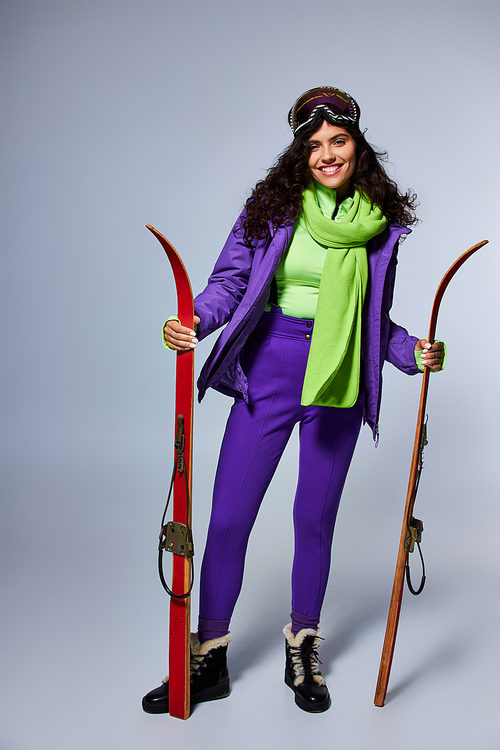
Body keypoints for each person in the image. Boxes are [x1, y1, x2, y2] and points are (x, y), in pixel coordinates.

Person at [142, 86, 444, 715]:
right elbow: (230, 280)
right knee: (228, 516)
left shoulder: (378, 222)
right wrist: (195, 321)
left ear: (357, 144)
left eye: (338, 141)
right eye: (314, 146)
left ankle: (303, 644)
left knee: (314, 518)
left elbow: (374, 321)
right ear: (299, 154)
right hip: (271, 365)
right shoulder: (272, 206)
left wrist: (413, 350)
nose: (327, 155)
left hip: (337, 376)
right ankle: (211, 652)